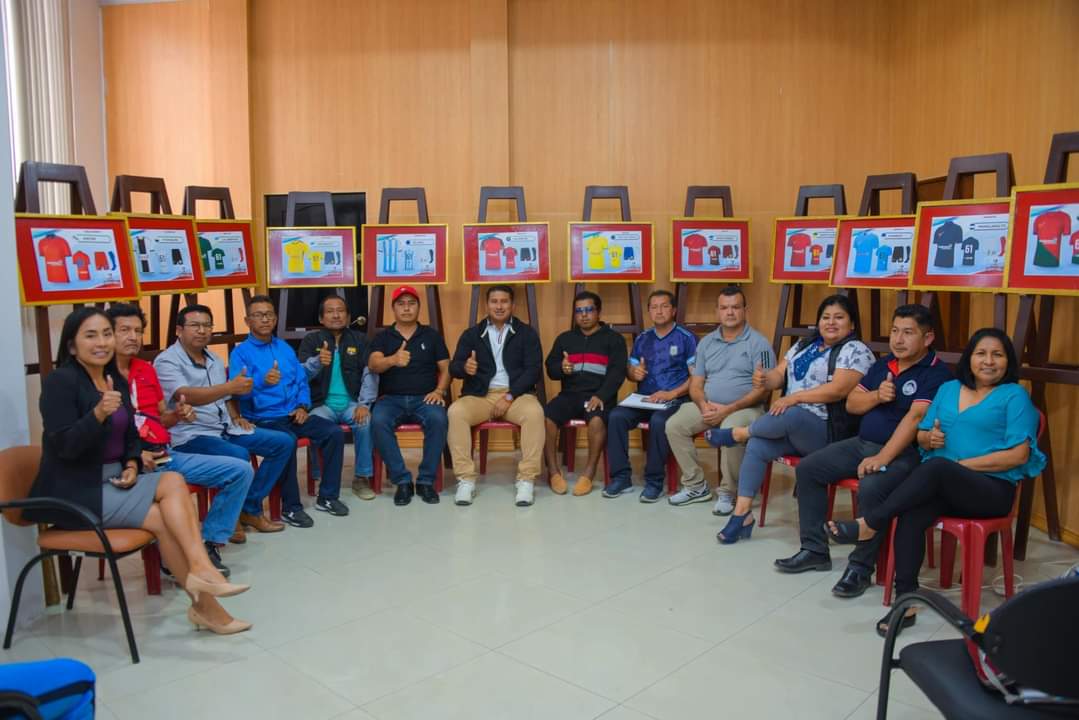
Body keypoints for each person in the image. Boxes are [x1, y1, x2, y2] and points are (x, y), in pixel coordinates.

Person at [28, 308, 252, 634]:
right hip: (75, 491)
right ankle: (203, 577)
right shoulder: (60, 382)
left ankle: (205, 599)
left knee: (168, 496)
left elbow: (131, 436)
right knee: (168, 493)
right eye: (91, 335)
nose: (102, 342)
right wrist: (98, 414)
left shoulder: (113, 379)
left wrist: (132, 464)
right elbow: (64, 446)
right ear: (72, 345)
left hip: (113, 480)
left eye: (106, 334)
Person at [826, 328, 1045, 635]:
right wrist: (929, 438)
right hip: (945, 484)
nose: (988, 361)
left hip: (991, 489)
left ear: (1007, 362)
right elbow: (921, 435)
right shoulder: (949, 389)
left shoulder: (1014, 395)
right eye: (981, 354)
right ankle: (906, 600)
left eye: (997, 355)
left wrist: (958, 466)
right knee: (911, 514)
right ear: (969, 359)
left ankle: (871, 522)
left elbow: (1018, 455)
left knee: (938, 468)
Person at [774, 305, 952, 598]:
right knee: (808, 469)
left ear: (928, 338)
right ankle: (814, 550)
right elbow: (852, 404)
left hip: (905, 454)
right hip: (861, 444)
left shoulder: (936, 373)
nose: (898, 339)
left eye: (908, 333)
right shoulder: (883, 365)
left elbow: (915, 418)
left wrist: (882, 458)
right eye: (895, 331)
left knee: (872, 486)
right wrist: (877, 396)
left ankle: (860, 568)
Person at [707, 294, 874, 544]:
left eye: (839, 317)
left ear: (851, 324)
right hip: (793, 426)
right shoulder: (804, 345)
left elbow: (838, 390)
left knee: (791, 412)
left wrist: (795, 398)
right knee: (758, 445)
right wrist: (765, 380)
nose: (831, 322)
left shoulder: (856, 350)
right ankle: (742, 514)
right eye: (825, 317)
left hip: (830, 433)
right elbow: (779, 375)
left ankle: (739, 434)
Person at [107, 304, 255, 578]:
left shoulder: (145, 369)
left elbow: (160, 418)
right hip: (131, 465)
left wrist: (176, 415)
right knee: (179, 486)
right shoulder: (100, 378)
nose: (133, 337)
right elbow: (105, 432)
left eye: (138, 331)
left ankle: (210, 542)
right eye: (124, 330)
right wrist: (134, 455)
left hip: (164, 454)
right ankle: (176, 558)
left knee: (241, 470)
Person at [156, 304, 295, 535]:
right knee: (238, 455)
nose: (202, 330)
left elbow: (227, 397)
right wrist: (230, 387)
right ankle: (231, 517)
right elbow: (185, 395)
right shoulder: (167, 360)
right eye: (195, 325)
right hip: (192, 434)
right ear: (179, 330)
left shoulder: (214, 358)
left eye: (207, 325)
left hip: (224, 428)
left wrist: (236, 416)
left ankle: (248, 508)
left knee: (283, 443)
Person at [228, 295, 347, 523]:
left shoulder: (284, 348)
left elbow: (301, 381)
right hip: (263, 418)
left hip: (293, 414)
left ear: (275, 318)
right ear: (247, 321)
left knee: (333, 433)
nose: (265, 319)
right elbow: (236, 392)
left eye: (269, 315)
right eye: (258, 315)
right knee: (287, 441)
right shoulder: (240, 353)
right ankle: (291, 507)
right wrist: (262, 382)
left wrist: (303, 406)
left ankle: (328, 497)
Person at [664, 286, 774, 510]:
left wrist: (728, 409)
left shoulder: (759, 344)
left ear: (745, 310)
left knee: (730, 428)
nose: (730, 312)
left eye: (735, 307)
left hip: (746, 408)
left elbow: (764, 390)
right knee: (674, 425)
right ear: (717, 311)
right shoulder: (706, 343)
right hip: (709, 405)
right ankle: (696, 486)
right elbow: (696, 383)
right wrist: (703, 405)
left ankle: (729, 492)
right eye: (724, 308)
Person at [447, 285, 545, 507]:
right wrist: (465, 367)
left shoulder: (527, 333)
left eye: (504, 301)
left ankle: (526, 479)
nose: (499, 306)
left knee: (535, 413)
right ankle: (465, 480)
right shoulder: (471, 334)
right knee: (456, 412)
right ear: (487, 305)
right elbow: (454, 367)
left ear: (513, 305)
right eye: (494, 301)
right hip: (480, 396)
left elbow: (533, 370)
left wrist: (510, 396)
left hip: (516, 396)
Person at [604, 290, 697, 501]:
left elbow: (697, 377)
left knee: (658, 421)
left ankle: (654, 481)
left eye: (664, 306)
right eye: (654, 307)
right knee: (616, 416)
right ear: (649, 311)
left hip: (676, 399)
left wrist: (672, 393)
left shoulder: (687, 338)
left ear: (674, 310)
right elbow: (631, 370)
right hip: (644, 399)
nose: (659, 311)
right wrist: (633, 373)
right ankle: (621, 477)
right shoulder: (643, 339)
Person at [368, 285, 451, 506]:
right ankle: (402, 481)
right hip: (391, 399)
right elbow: (374, 364)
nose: (406, 308)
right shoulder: (383, 337)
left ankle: (426, 481)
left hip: (425, 399)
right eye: (401, 304)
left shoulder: (431, 336)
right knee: (377, 421)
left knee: (438, 419)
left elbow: (446, 368)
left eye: (411, 303)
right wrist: (393, 360)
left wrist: (439, 391)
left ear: (418, 307)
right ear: (393, 308)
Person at [543, 291, 627, 496]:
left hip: (599, 396)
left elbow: (617, 373)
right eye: (579, 311)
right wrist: (561, 368)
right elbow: (550, 368)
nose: (584, 315)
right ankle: (553, 472)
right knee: (546, 417)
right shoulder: (565, 339)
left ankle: (588, 474)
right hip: (570, 395)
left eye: (589, 310)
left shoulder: (614, 339)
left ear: (599, 312)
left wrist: (601, 395)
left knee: (597, 421)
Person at [297, 295, 378, 500]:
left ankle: (362, 477)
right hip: (321, 404)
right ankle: (320, 476)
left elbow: (370, 373)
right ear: (321, 318)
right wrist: (317, 362)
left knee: (365, 422)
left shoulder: (360, 340)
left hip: (352, 403)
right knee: (315, 423)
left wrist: (364, 404)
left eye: (340, 311)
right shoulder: (311, 341)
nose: (336, 315)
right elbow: (299, 376)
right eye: (330, 311)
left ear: (348, 316)